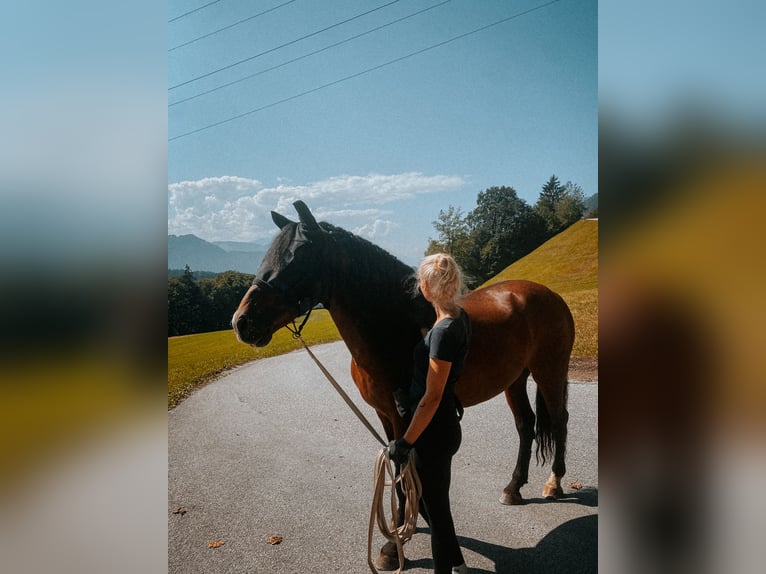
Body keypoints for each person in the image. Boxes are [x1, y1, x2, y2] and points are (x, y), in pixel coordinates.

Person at [388, 253, 472, 574]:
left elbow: (432, 396)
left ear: (426, 287)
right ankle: (459, 564)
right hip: (445, 426)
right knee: (428, 503)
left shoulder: (442, 332)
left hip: (431, 433)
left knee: (435, 511)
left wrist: (405, 442)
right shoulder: (459, 318)